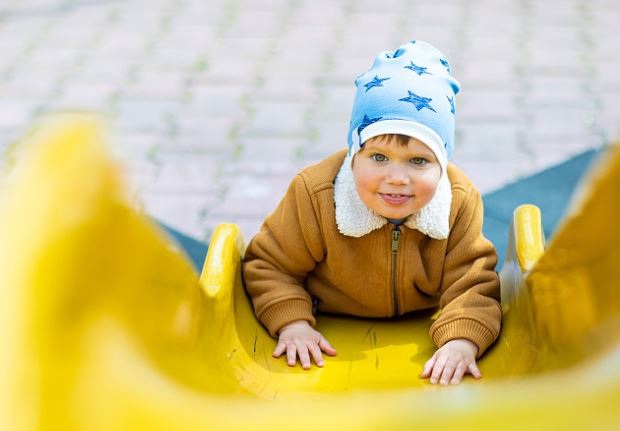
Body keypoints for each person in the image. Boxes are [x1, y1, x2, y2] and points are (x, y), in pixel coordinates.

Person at [242, 40, 501, 385]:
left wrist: (461, 340)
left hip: (420, 334)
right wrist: (293, 322)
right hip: (328, 326)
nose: (396, 178)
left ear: (442, 163)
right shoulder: (317, 193)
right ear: (354, 155)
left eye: (419, 161)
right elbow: (270, 265)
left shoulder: (458, 199)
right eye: (378, 157)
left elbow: (473, 282)